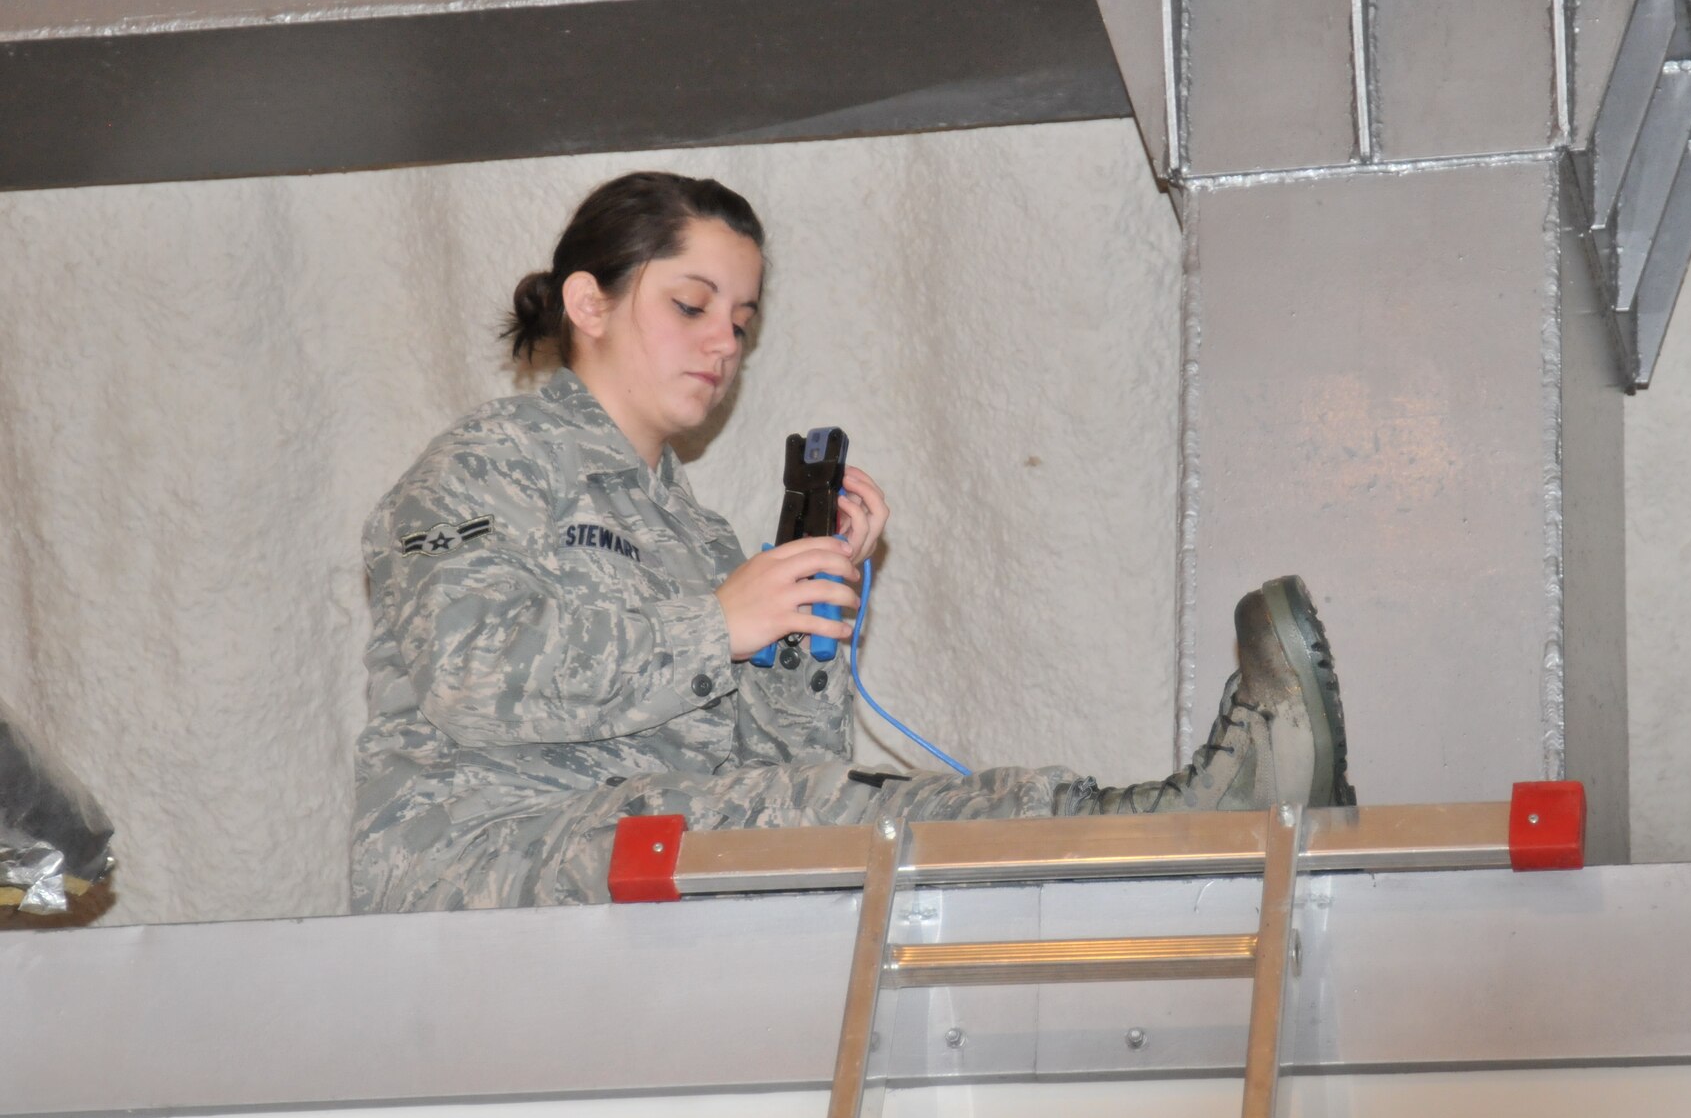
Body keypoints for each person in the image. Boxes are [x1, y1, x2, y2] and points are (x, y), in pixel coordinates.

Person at [351, 172, 1356, 914]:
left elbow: (784, 761)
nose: (723, 345)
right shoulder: (479, 467)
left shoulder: (691, 534)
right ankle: (1168, 821)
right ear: (588, 303)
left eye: (741, 321)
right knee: (805, 821)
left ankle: (1149, 818)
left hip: (642, 852)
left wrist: (806, 622)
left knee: (840, 814)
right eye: (690, 305)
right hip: (478, 862)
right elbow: (469, 677)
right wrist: (718, 622)